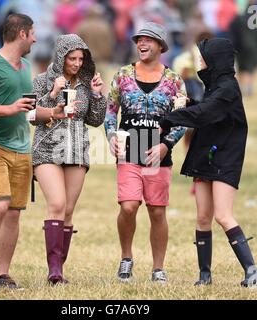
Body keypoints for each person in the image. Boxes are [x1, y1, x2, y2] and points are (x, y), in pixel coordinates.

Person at [0, 13, 68, 292]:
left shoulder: (25, 66)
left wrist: (53, 113)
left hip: (22, 150)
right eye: (32, 33)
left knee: (13, 213)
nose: (35, 38)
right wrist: (8, 109)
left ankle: (3, 274)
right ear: (22, 33)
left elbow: (29, 111)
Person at [159, 38, 257, 288]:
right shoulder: (215, 85)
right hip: (206, 155)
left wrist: (170, 118)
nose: (199, 61)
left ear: (215, 60)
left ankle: (253, 271)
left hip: (224, 159)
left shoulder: (228, 88)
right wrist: (188, 105)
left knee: (223, 216)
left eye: (203, 57)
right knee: (203, 217)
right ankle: (204, 276)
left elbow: (206, 114)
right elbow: (205, 110)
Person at [104, 22, 185, 283]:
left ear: (161, 45)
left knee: (157, 211)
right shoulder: (123, 75)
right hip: (130, 147)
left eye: (148, 39)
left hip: (157, 151)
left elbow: (184, 118)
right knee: (128, 207)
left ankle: (158, 268)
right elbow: (110, 111)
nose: (142, 43)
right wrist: (111, 135)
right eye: (139, 39)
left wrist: (166, 144)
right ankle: (126, 259)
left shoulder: (174, 80)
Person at [31, 34, 106, 285]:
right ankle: (54, 271)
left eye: (80, 58)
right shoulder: (43, 80)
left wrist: (97, 95)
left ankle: (58, 270)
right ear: (60, 56)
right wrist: (53, 93)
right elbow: (31, 115)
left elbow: (95, 120)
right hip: (47, 151)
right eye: (71, 58)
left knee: (69, 210)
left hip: (76, 151)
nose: (76, 63)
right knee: (57, 203)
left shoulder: (85, 84)